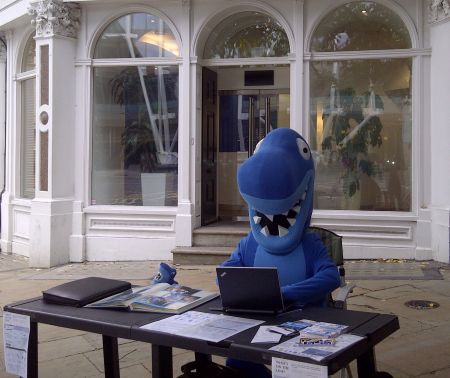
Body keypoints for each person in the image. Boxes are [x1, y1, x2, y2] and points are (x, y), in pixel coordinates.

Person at [221, 128, 340, 377]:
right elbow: (227, 273)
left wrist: (283, 294)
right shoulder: (249, 244)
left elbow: (330, 276)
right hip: (259, 321)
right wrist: (245, 293)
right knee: (237, 357)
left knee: (299, 368)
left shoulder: (310, 243)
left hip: (305, 322)